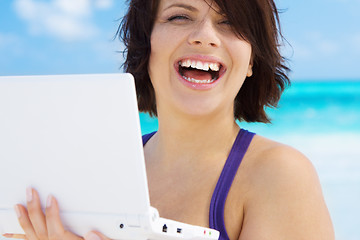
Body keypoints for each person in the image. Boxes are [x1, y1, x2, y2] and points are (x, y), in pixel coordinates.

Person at [4, 0, 335, 239]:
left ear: (251, 61)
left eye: (231, 22)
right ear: (146, 46)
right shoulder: (96, 170)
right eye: (179, 16)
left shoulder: (280, 175)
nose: (205, 36)